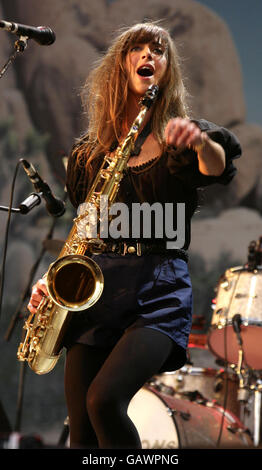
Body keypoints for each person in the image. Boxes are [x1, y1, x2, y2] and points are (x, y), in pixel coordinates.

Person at [27, 22, 241, 449]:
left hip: (158, 292)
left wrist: (200, 142)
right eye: (138, 48)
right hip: (96, 292)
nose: (148, 55)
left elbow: (217, 166)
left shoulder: (183, 136)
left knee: (103, 401)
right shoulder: (89, 153)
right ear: (121, 65)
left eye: (158, 50)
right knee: (81, 433)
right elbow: (84, 231)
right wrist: (52, 283)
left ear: (167, 68)